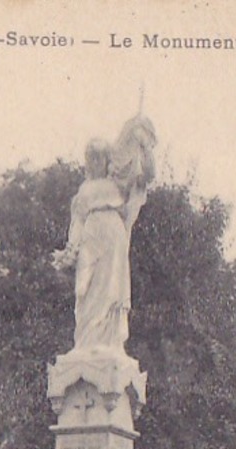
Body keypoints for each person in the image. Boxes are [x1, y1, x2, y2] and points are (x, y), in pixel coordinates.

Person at [53, 116, 157, 351]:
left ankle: (108, 342)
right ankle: (87, 341)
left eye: (100, 156)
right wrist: (71, 249)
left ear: (107, 158)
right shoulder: (84, 190)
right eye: (92, 157)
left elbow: (148, 175)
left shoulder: (118, 184)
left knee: (110, 287)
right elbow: (77, 221)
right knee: (85, 288)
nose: (96, 161)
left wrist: (144, 146)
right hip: (91, 237)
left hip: (112, 236)